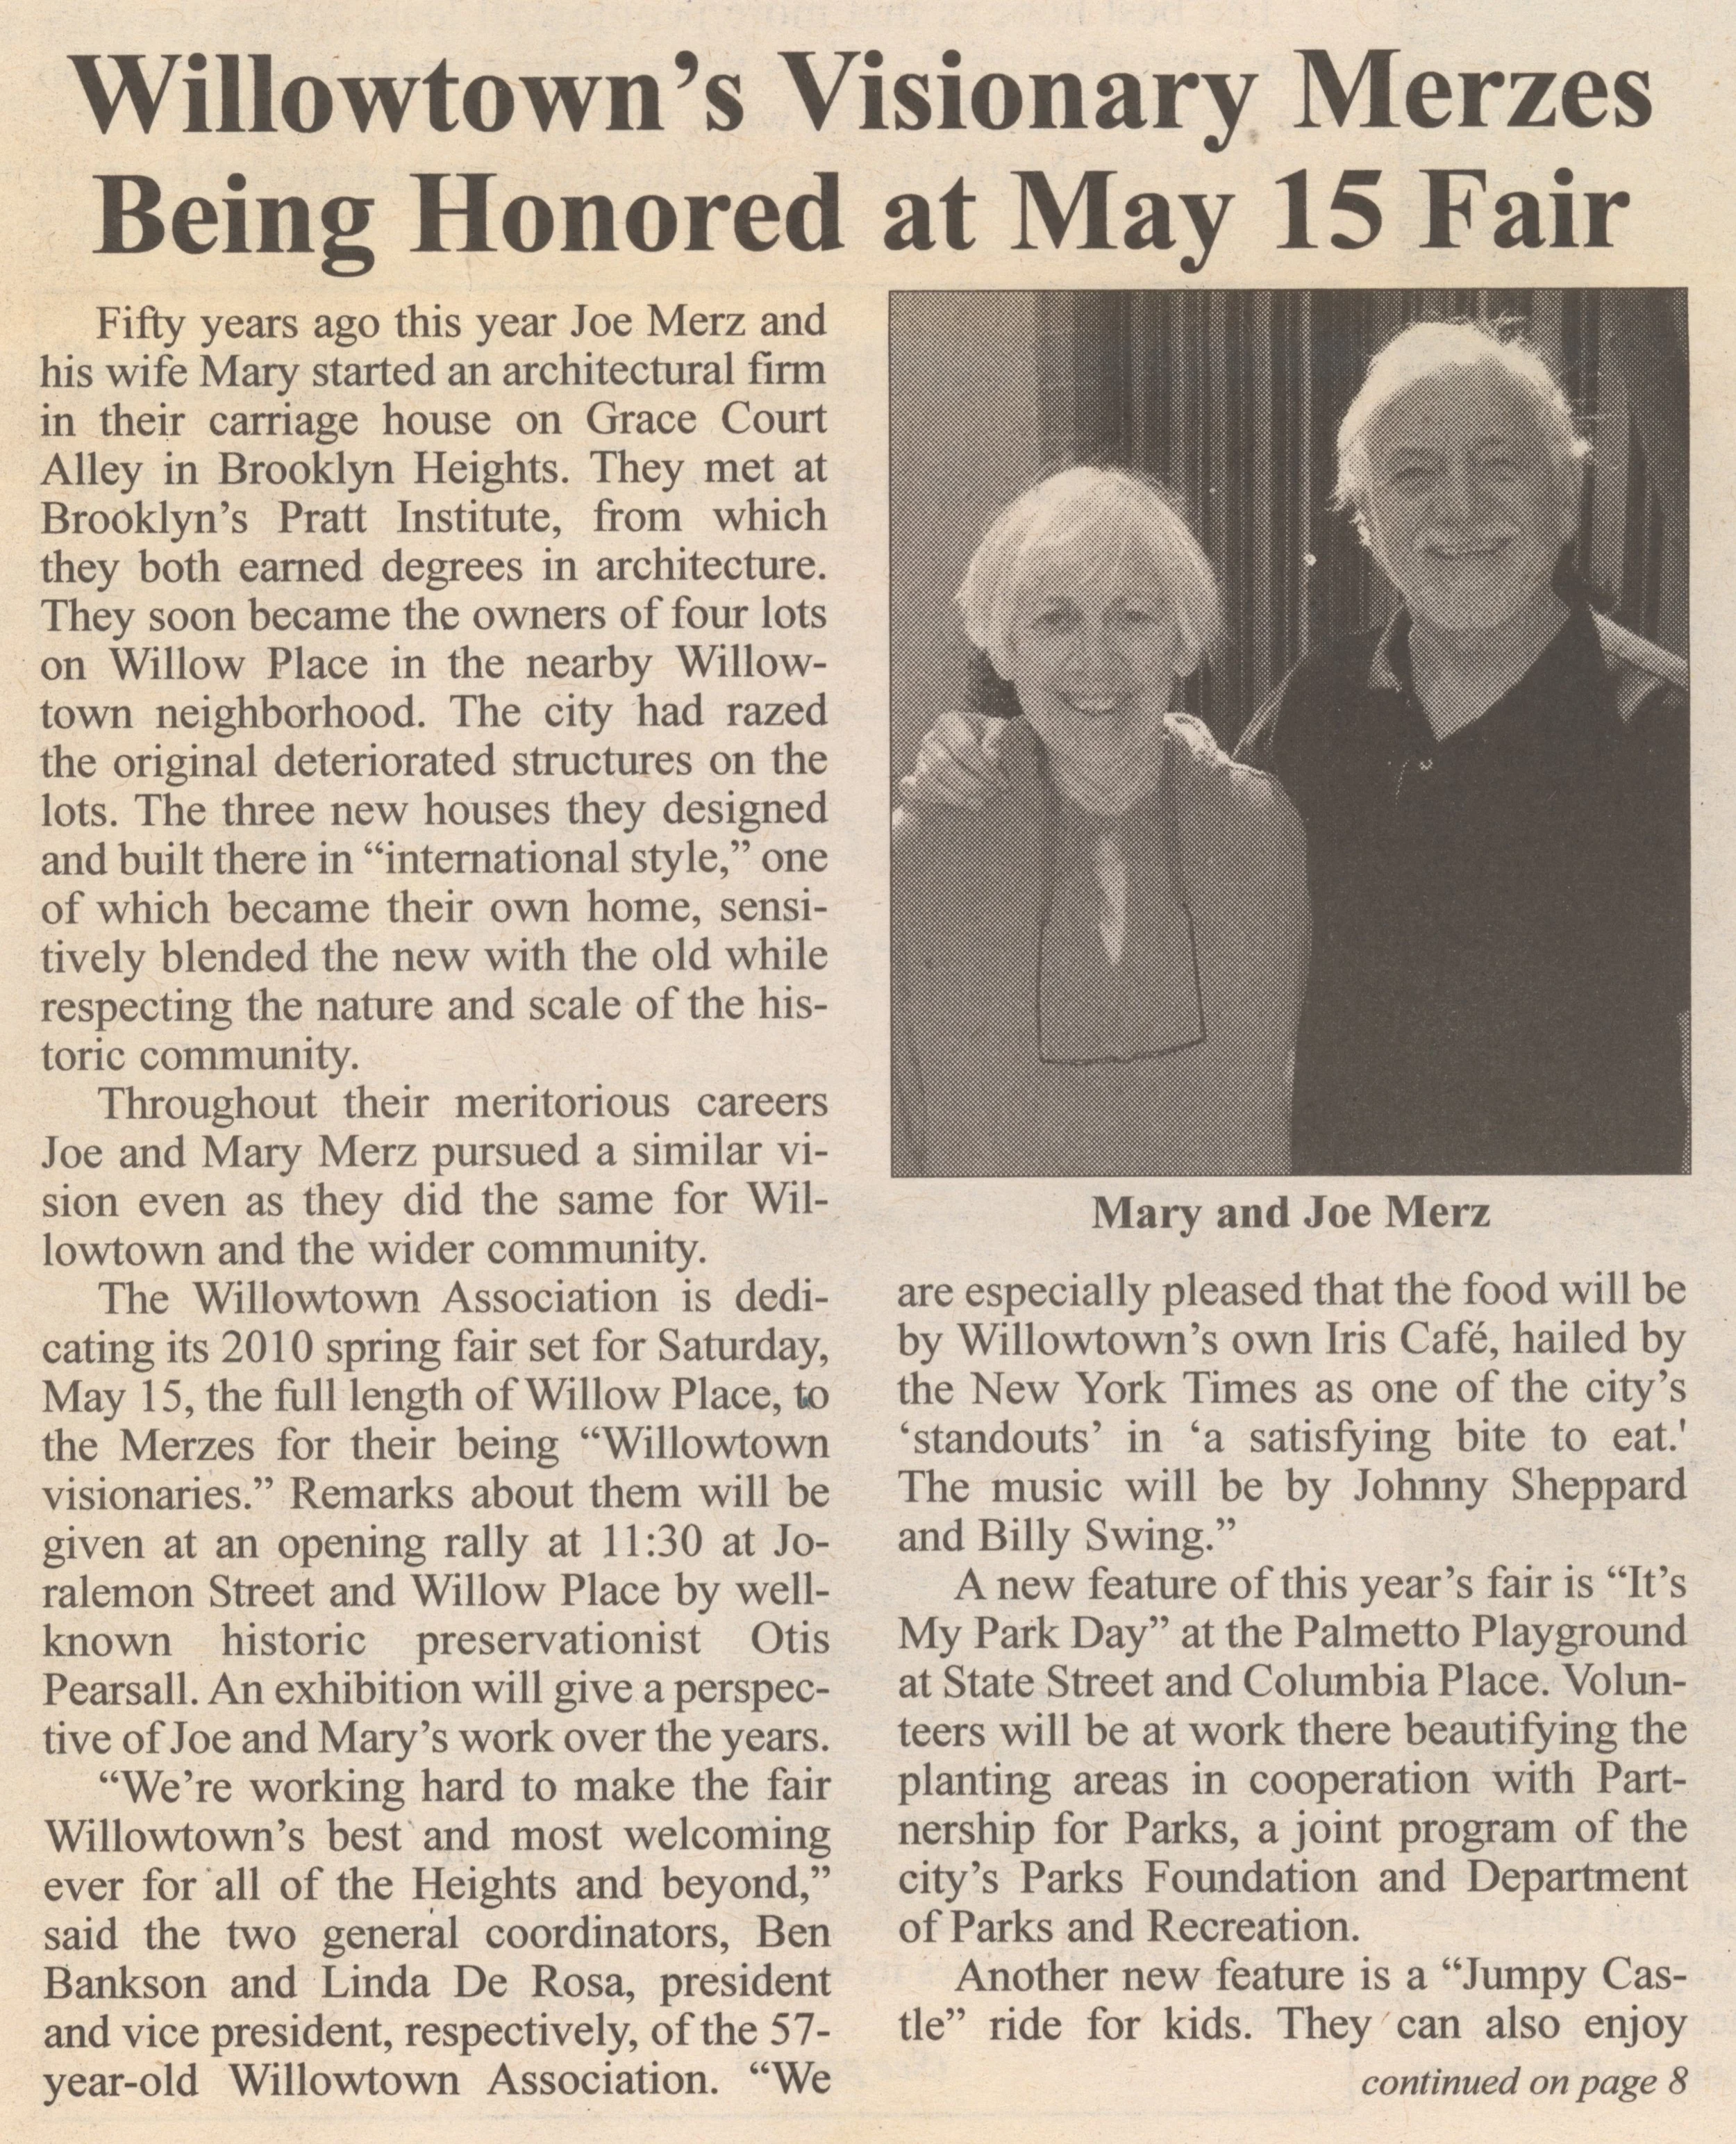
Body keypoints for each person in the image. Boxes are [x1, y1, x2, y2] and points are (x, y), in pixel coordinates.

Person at [905, 323, 1689, 1176]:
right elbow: (1177, 784)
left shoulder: (1676, 735)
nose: (1459, 508)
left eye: (1498, 463)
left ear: (1566, 496)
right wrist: (999, 736)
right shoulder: (1320, 707)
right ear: (1365, 524)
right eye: (1413, 474)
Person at [892, 466, 1310, 1177]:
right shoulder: (929, 846)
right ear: (1003, 645)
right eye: (1056, 619)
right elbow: (891, 1124)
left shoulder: (1258, 828)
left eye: (1133, 617)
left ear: (1182, 641)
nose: (1095, 659)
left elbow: (1291, 1088)